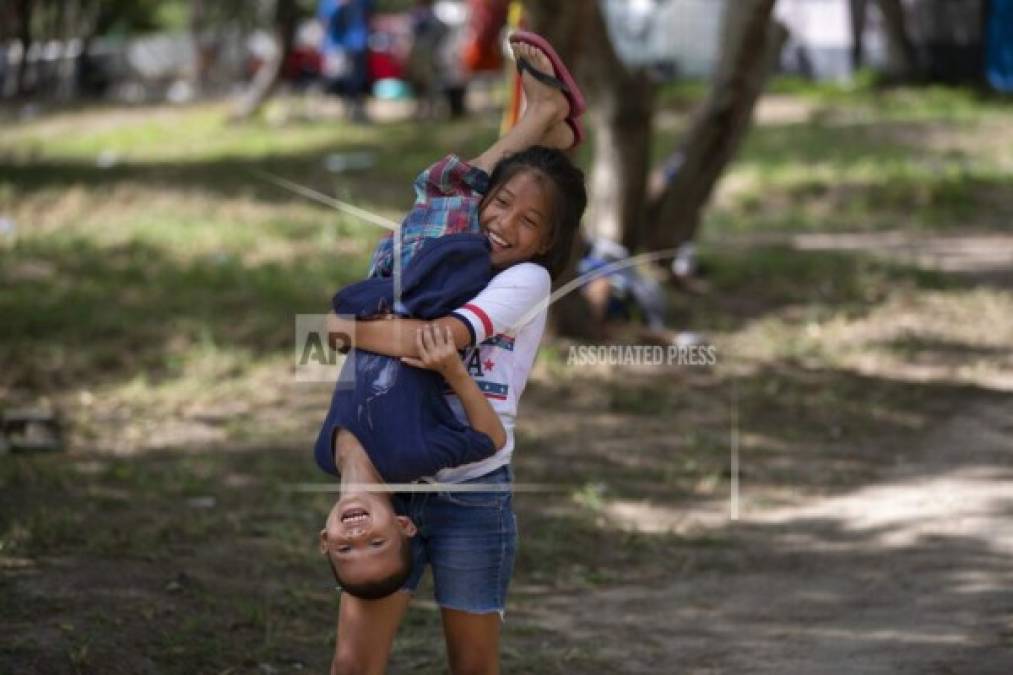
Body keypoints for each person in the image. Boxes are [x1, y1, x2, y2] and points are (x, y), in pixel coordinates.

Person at [319, 32, 587, 674]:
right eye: (502, 206)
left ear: (545, 246)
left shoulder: (526, 281)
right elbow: (445, 216)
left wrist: (345, 328)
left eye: (529, 225)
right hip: (396, 496)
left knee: (473, 666)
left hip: (472, 496)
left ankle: (540, 121)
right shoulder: (462, 257)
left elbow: (431, 342)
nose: (505, 226)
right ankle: (540, 122)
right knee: (352, 667)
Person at [318, 0, 373, 122]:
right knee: (336, 80)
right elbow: (325, 19)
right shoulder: (329, 2)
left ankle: (356, 109)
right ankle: (338, 110)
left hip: (357, 45)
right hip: (336, 46)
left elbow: (368, 15)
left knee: (356, 81)